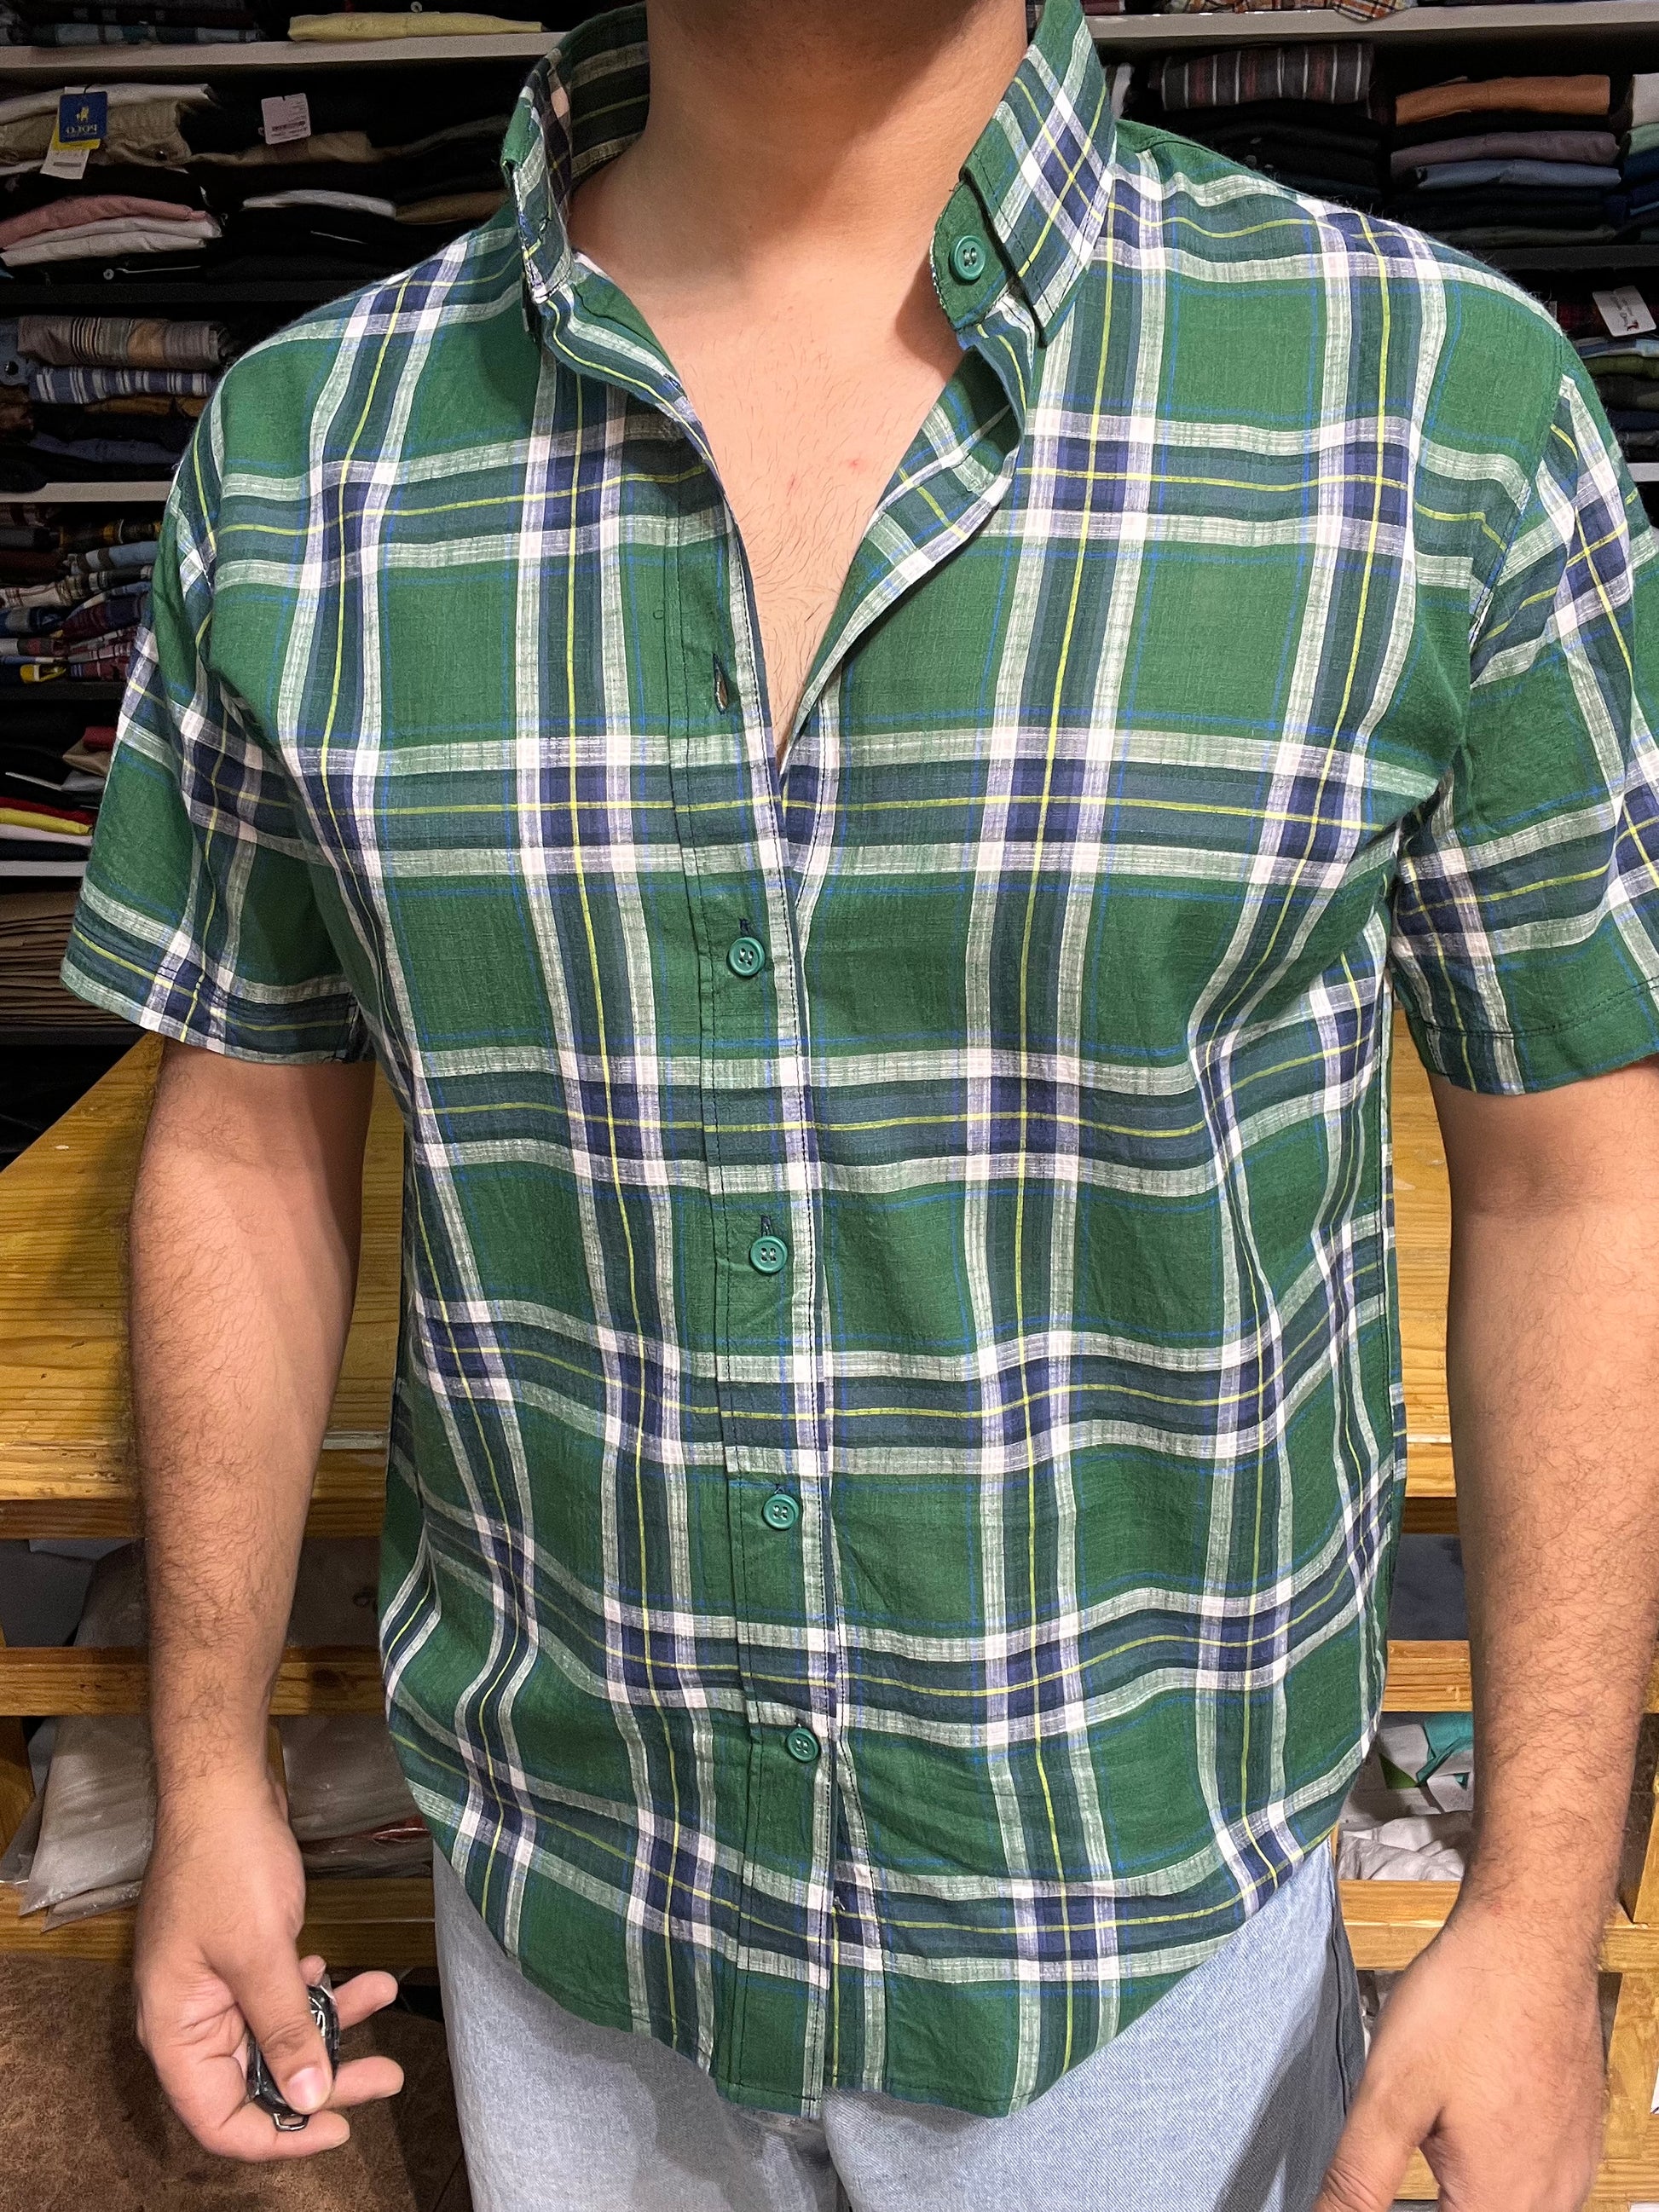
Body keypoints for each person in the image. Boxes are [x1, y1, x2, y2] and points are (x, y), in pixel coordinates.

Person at [60, 0, 1659, 2205]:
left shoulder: (1426, 406)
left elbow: (1580, 1183)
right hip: (568, 1927)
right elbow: (242, 1136)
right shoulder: (306, 455)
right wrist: (211, 1770)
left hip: (1142, 1958)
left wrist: (1538, 1906)